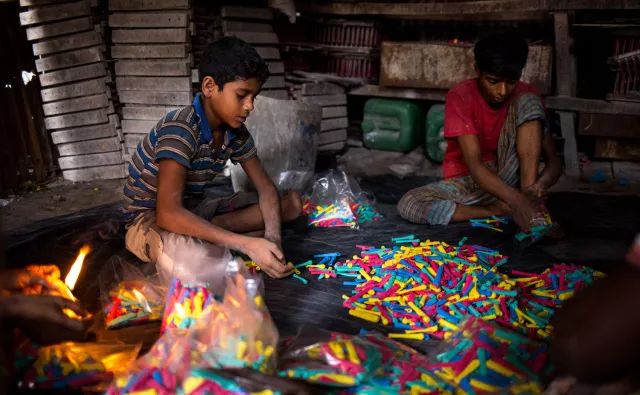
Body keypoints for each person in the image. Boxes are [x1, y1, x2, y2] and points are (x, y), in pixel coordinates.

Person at [123, 37, 302, 279]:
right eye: (241, 95)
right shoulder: (181, 129)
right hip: (151, 218)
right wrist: (246, 244)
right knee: (196, 265)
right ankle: (210, 237)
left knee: (289, 206)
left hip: (193, 208)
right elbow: (167, 213)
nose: (250, 106)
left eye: (254, 97)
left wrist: (273, 238)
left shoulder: (235, 132)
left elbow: (266, 189)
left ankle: (209, 233)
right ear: (209, 87)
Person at [397, 31, 562, 232]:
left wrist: (537, 188)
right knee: (410, 204)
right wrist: (516, 202)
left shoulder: (526, 95)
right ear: (477, 70)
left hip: (514, 179)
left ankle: (532, 212)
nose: (502, 91)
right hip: (473, 183)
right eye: (493, 81)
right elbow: (475, 166)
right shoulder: (461, 96)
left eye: (511, 82)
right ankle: (502, 210)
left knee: (528, 100)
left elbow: (554, 163)